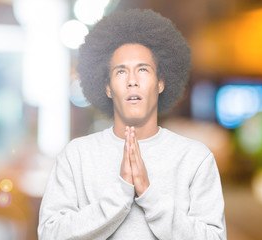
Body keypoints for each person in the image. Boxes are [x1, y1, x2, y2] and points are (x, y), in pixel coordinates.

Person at [38, 9, 226, 239]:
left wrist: (149, 194)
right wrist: (120, 194)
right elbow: (50, 234)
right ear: (107, 87)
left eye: (143, 70)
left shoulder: (195, 158)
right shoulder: (76, 156)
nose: (132, 81)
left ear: (160, 83)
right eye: (121, 72)